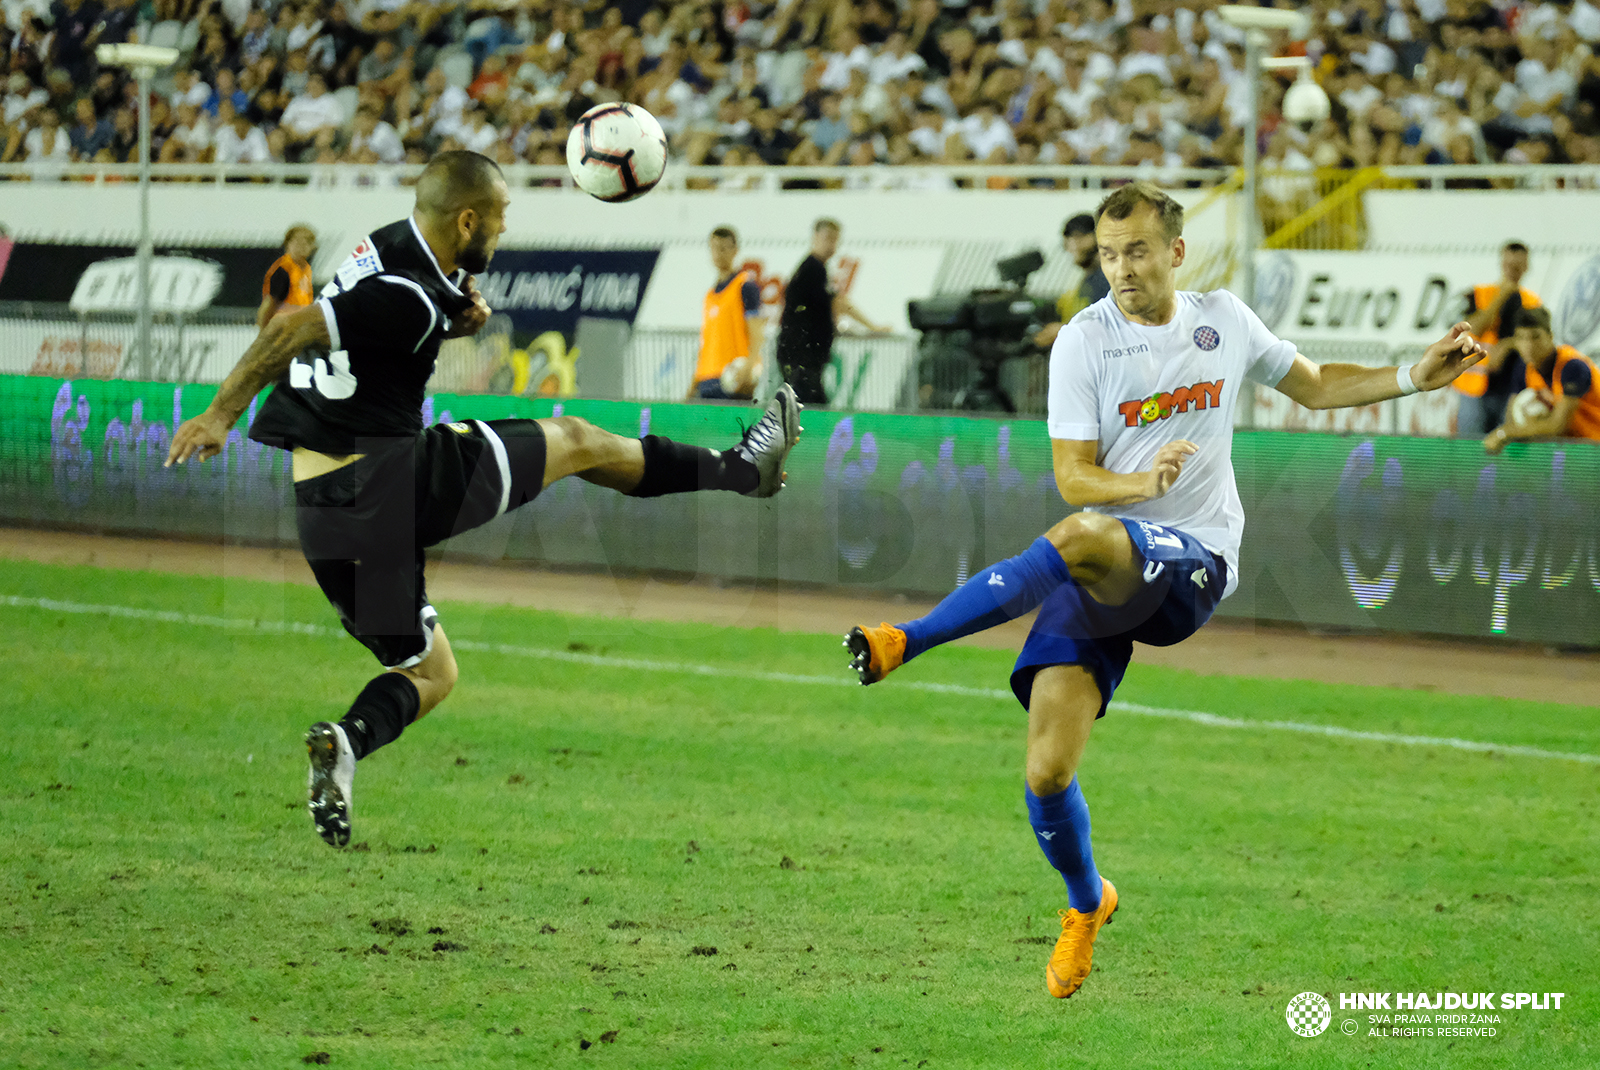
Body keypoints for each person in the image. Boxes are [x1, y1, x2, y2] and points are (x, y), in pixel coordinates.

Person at [842, 182, 1486, 1002]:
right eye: (1109, 255)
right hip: (1115, 552)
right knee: (1045, 771)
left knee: (1076, 535)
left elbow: (1317, 384)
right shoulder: (1083, 340)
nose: (1121, 269)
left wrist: (1411, 375)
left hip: (1196, 560)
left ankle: (909, 640)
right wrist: (1138, 481)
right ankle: (1088, 903)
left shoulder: (1223, 320)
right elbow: (1072, 473)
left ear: (1175, 252)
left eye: (1137, 251)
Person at [165, 151, 803, 849]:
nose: (501, 235)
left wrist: (452, 315)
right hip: (388, 482)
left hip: (325, 515)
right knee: (578, 440)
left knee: (430, 669)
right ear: (466, 219)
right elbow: (288, 330)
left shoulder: (384, 249)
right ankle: (745, 469)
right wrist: (219, 413)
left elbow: (380, 317)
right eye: (498, 222)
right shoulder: (408, 294)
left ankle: (345, 746)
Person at [776, 217, 890, 406]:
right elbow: (838, 302)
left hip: (803, 356)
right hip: (800, 356)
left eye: (835, 239)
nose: (831, 244)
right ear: (815, 237)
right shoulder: (812, 269)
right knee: (811, 406)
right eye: (827, 238)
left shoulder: (815, 270)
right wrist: (872, 327)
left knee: (810, 403)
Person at [1483, 306, 1600, 452]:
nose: (1529, 346)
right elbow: (1511, 417)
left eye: (1535, 337)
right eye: (1521, 338)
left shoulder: (1572, 366)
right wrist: (1521, 428)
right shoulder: (1524, 367)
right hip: (1571, 449)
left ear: (1550, 337)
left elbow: (1557, 425)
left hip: (1595, 446)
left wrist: (1505, 433)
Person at [1453, 241, 1540, 436]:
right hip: (1474, 386)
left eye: (1517, 267)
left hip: (1511, 386)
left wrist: (1508, 345)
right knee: (1471, 446)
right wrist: (1502, 296)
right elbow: (1475, 327)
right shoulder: (1478, 294)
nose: (1512, 271)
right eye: (1508, 266)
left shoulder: (1531, 302)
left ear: (1526, 267)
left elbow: (1537, 340)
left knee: (1503, 446)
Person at [691, 225, 763, 400]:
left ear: (735, 250)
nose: (717, 254)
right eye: (714, 248)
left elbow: (757, 332)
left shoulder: (745, 286)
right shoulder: (711, 295)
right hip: (707, 378)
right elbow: (706, 343)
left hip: (733, 378)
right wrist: (694, 383)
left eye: (723, 248)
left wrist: (751, 366)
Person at [1034, 213, 1112, 349]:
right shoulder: (1089, 278)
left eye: (1079, 237)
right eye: (1068, 239)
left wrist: (1063, 330)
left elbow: (1109, 324)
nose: (1072, 245)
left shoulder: (1107, 278)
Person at [258, 224, 318, 329]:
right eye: (297, 242)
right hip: (283, 326)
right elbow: (270, 303)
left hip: (299, 326)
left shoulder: (305, 269)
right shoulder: (283, 270)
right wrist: (264, 329)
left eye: (307, 243)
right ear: (287, 245)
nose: (302, 247)